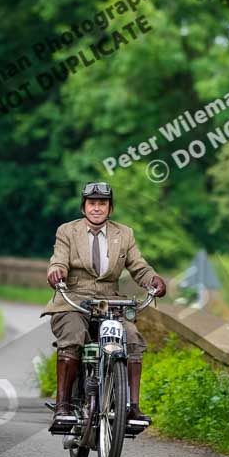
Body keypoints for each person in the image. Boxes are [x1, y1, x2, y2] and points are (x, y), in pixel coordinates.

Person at [41, 182, 166, 427]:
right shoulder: (67, 231)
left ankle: (131, 408)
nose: (97, 208)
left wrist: (153, 279)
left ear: (110, 208)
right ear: (83, 206)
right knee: (73, 334)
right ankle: (63, 405)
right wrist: (56, 273)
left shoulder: (124, 234)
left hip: (111, 302)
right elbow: (58, 261)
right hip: (74, 299)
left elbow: (139, 266)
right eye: (92, 203)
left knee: (132, 338)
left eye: (102, 204)